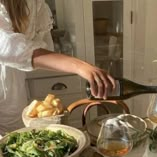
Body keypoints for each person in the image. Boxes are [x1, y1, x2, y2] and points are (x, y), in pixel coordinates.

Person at [0, 0, 115, 135]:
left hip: (14, 90)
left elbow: (42, 48)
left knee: (13, 140)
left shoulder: (33, 4)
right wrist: (80, 67)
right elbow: (9, 48)